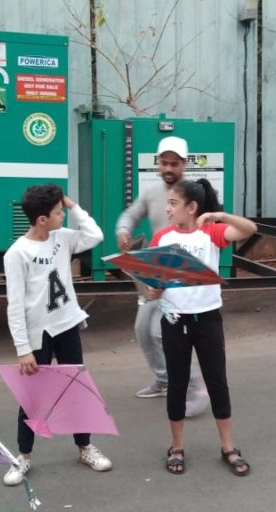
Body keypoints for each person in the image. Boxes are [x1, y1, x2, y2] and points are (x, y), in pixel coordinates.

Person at [2, 184, 113, 487]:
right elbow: (15, 304)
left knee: (76, 388)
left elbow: (95, 235)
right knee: (32, 397)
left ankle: (85, 447)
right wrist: (22, 348)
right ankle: (23, 456)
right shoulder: (17, 253)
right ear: (41, 219)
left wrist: (74, 206)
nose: (63, 215)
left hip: (66, 324)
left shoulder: (61, 238)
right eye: (58, 212)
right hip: (38, 335)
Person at [150, 178, 257, 476]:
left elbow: (250, 229)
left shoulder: (211, 232)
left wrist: (219, 216)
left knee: (217, 382)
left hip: (208, 318)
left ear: (192, 207)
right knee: (178, 384)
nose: (167, 208)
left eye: (173, 203)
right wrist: (154, 289)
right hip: (173, 320)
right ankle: (177, 447)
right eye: (167, 203)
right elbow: (155, 281)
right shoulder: (160, 237)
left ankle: (228, 447)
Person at [116, 136, 209, 414]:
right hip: (155, 272)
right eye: (164, 163)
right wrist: (123, 230)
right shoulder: (151, 193)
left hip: (183, 274)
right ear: (158, 163)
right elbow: (131, 215)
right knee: (143, 330)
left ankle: (195, 383)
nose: (169, 168)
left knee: (159, 331)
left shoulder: (195, 194)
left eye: (175, 163)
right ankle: (164, 379)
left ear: (184, 164)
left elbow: (212, 225)